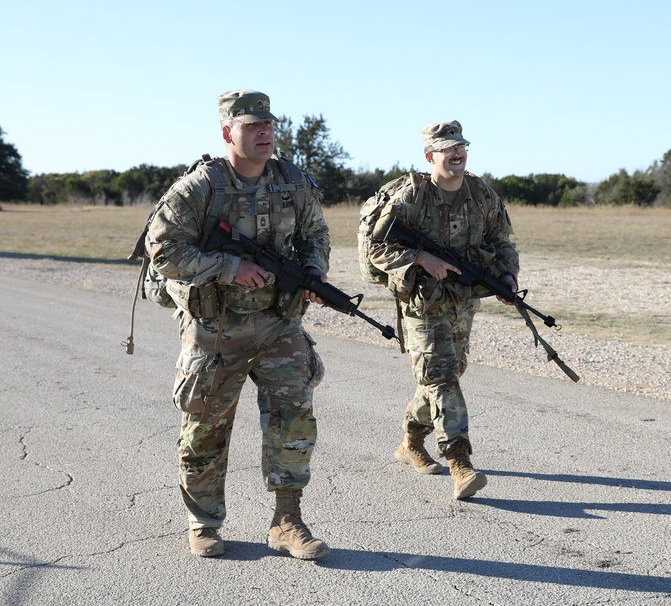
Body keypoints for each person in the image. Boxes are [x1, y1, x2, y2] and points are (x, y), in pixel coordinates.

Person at [146, 89, 331, 559]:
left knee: (294, 419)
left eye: (269, 125)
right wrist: (229, 269)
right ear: (228, 132)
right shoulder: (199, 187)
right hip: (215, 327)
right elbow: (163, 250)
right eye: (253, 126)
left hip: (277, 322)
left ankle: (287, 521)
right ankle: (203, 523)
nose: (265, 132)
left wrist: (313, 274)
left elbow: (315, 235)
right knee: (205, 426)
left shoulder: (293, 180)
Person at [368, 120, 519, 500]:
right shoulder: (409, 198)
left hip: (462, 302)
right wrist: (420, 257)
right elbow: (376, 248)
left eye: (461, 146)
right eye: (448, 148)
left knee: (443, 376)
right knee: (442, 378)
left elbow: (502, 242)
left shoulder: (482, 194)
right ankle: (460, 463)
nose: (457, 152)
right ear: (429, 155)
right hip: (421, 303)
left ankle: (410, 442)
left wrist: (507, 277)